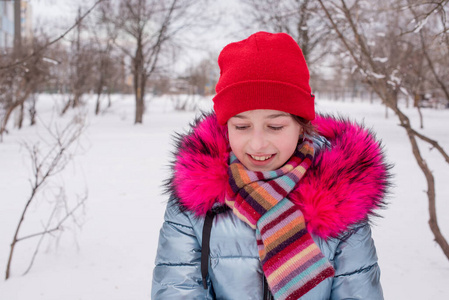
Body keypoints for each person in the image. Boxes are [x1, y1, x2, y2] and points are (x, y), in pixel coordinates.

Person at [151, 31, 390, 299]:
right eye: (241, 126)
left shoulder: (342, 196)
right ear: (226, 126)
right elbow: (176, 288)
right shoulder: (195, 198)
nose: (257, 144)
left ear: (301, 127)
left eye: (275, 126)